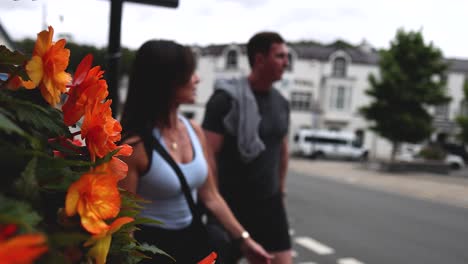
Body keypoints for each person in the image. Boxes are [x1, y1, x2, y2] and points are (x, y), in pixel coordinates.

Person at [119, 40, 272, 264]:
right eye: (190, 73)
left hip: (193, 242)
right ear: (166, 82)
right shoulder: (133, 147)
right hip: (150, 252)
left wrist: (245, 240)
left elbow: (211, 196)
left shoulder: (194, 130)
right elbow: (124, 225)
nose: (197, 79)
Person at [202, 32, 292, 264]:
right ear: (260, 59)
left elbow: (282, 150)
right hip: (231, 205)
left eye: (287, 56)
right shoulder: (225, 100)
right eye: (280, 56)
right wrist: (212, 203)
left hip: (270, 204)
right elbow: (207, 156)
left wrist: (280, 192)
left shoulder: (282, 103)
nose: (287, 62)